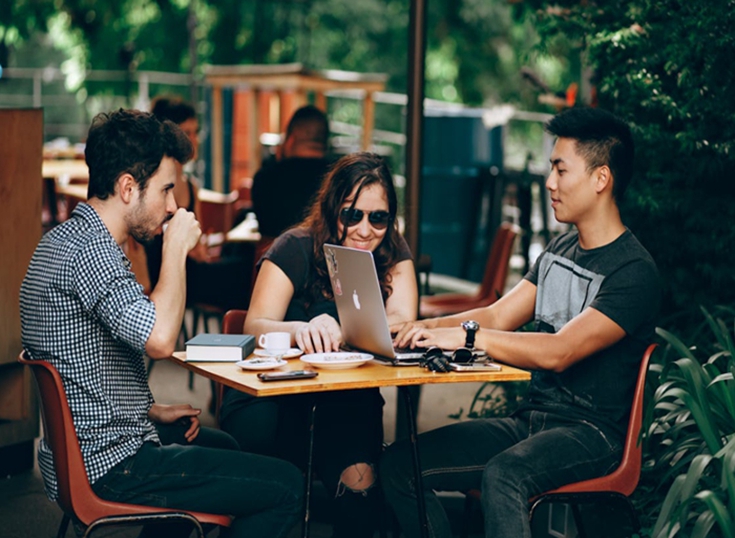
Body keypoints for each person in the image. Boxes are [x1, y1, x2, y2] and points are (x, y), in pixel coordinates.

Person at [20, 109, 303, 538]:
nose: (173, 206)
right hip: (113, 465)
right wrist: (175, 250)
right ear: (128, 188)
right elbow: (160, 340)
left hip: (79, 454)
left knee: (224, 445)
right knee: (286, 485)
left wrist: (147, 409)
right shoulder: (92, 253)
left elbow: (79, 362)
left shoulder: (63, 240)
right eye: (167, 190)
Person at [382, 107, 661, 538]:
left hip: (592, 435)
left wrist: (468, 338)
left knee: (504, 475)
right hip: (531, 421)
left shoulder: (633, 271)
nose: (549, 182)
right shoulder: (561, 248)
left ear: (601, 178)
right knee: (400, 465)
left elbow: (560, 352)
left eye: (560, 169)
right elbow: (497, 315)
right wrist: (420, 330)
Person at [219, 152, 418, 538]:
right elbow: (253, 324)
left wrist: (344, 327)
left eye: (378, 217)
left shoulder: (392, 252)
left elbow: (402, 322)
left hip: (345, 400)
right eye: (352, 215)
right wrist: (301, 329)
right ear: (332, 211)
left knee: (362, 492)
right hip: (275, 395)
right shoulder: (295, 246)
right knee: (271, 484)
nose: (365, 229)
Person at [143, 95, 253, 312]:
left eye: (196, 132)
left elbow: (199, 245)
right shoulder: (151, 184)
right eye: (187, 133)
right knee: (246, 271)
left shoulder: (191, 187)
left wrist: (201, 245)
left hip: (191, 271)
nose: (194, 140)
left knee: (246, 260)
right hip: (165, 273)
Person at [251, 104, 333, 238]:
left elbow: (264, 229)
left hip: (274, 257)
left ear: (290, 139)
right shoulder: (339, 179)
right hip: (323, 257)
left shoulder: (264, 178)